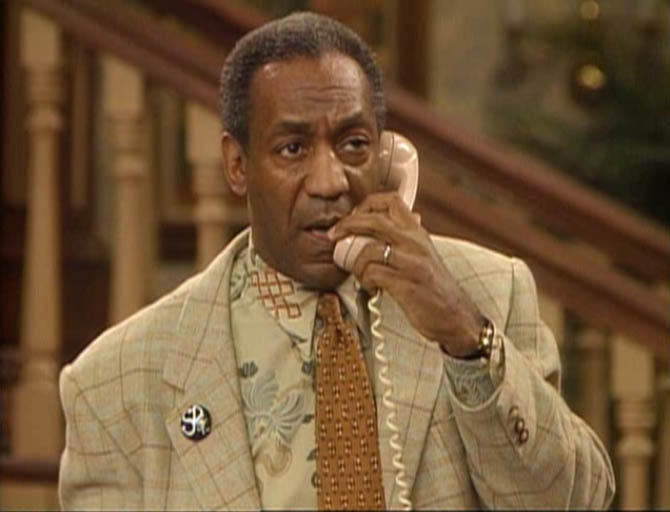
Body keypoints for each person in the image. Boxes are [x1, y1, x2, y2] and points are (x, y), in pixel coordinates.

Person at [58, 11, 615, 510]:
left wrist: (467, 339)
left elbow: (574, 501)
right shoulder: (116, 383)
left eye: (353, 144)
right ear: (237, 165)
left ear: (387, 156)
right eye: (293, 148)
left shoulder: (490, 293)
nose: (330, 182)